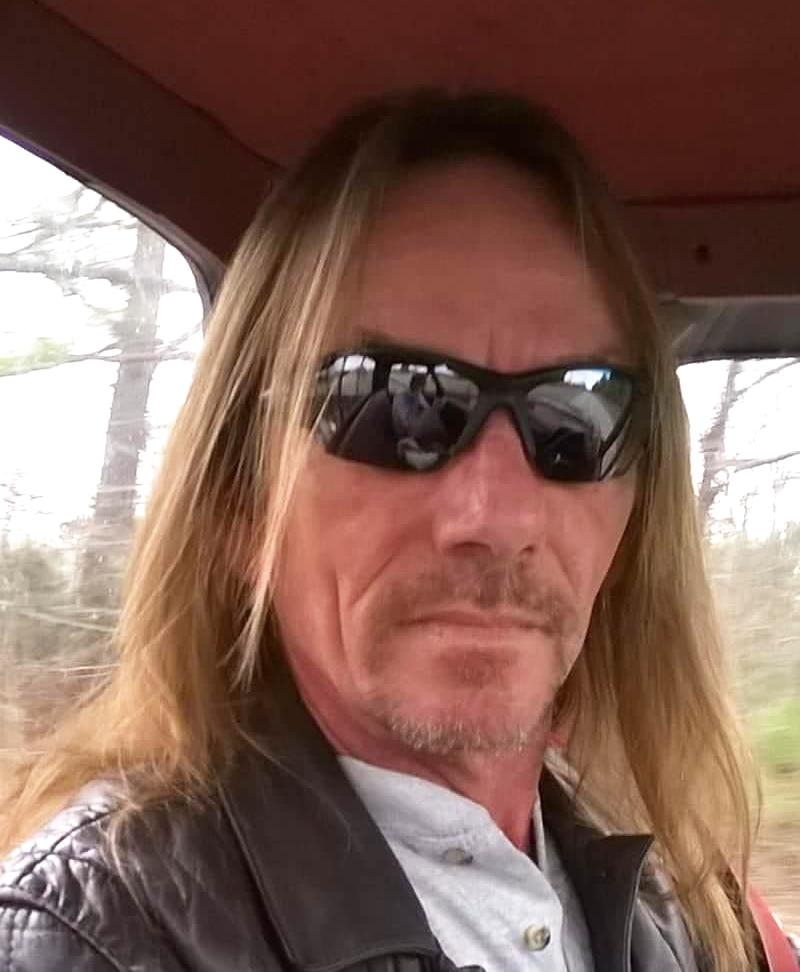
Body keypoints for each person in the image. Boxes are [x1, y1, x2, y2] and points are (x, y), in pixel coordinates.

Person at [0, 90, 762, 971]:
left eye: (577, 419)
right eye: (398, 404)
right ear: (241, 501)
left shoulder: (669, 908)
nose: (498, 519)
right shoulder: (96, 941)